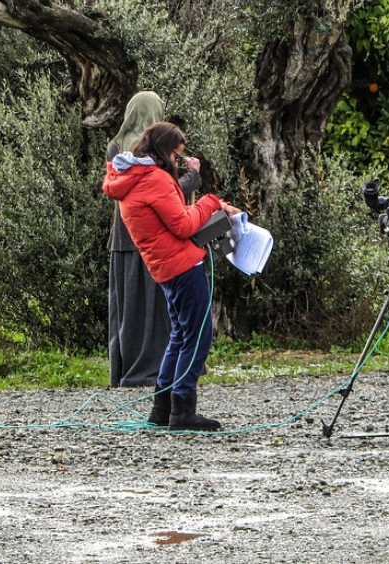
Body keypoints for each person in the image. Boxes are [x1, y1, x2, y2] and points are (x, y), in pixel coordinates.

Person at [102, 122, 241, 430]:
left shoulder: (130, 178)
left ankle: (162, 408)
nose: (178, 162)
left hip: (163, 268)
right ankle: (182, 410)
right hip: (182, 266)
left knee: (179, 334)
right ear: (165, 152)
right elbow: (183, 225)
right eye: (177, 156)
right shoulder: (154, 179)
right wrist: (211, 202)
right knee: (198, 336)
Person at [106, 92, 204, 388]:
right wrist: (193, 179)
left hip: (122, 238)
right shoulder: (156, 151)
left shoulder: (116, 147)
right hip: (155, 240)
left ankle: (127, 370)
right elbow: (166, 195)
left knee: (128, 309)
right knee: (160, 311)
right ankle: (160, 371)